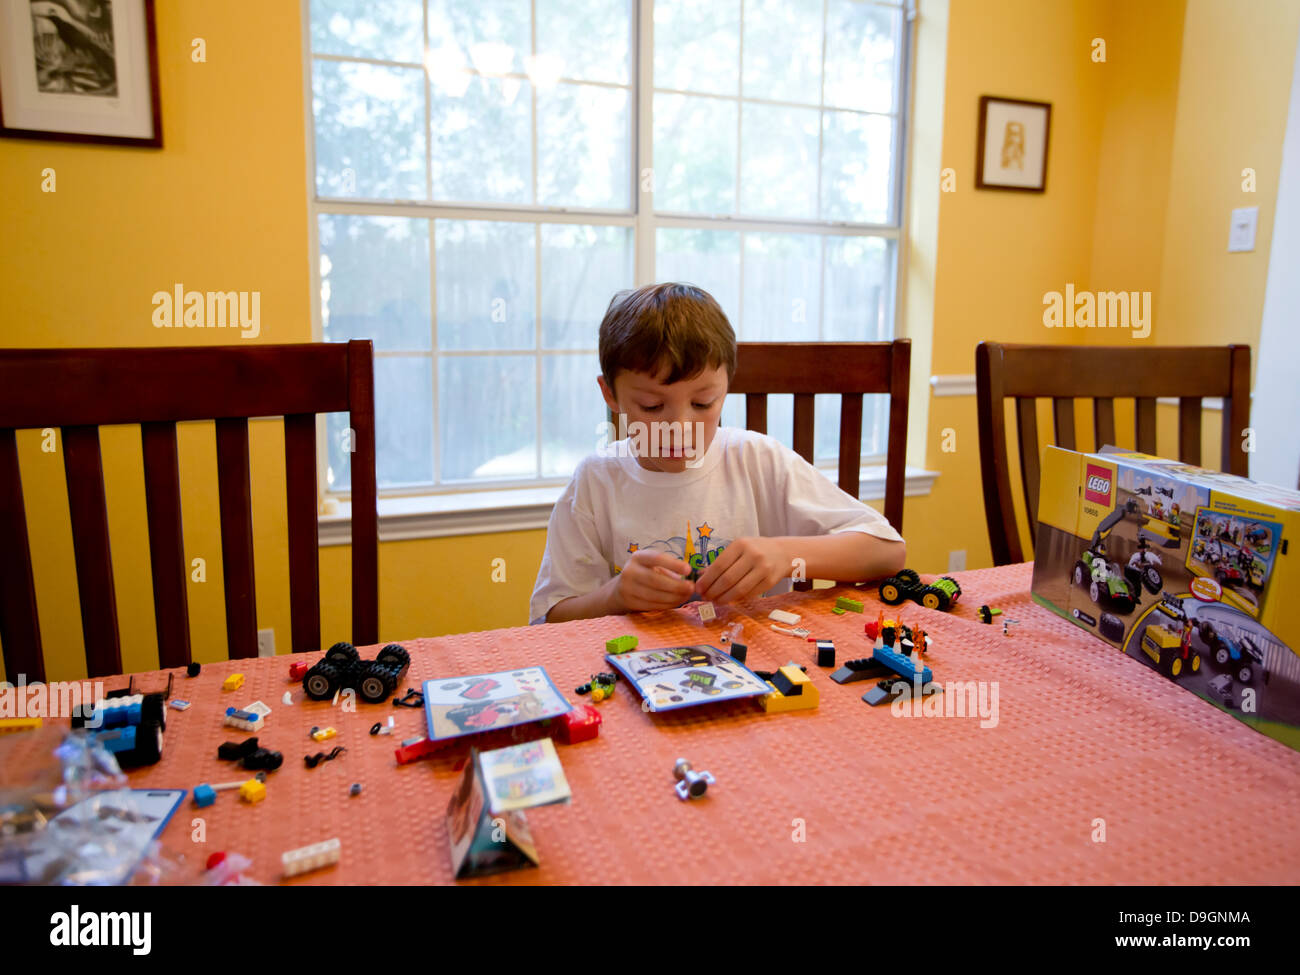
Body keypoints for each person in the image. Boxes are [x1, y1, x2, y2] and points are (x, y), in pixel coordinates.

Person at [529, 282, 906, 625]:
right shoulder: (596, 481)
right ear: (610, 394)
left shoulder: (758, 459)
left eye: (703, 402)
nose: (679, 427)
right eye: (651, 406)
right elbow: (549, 620)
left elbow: (887, 552)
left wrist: (784, 554)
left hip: (758, 670)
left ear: (726, 387)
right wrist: (615, 597)